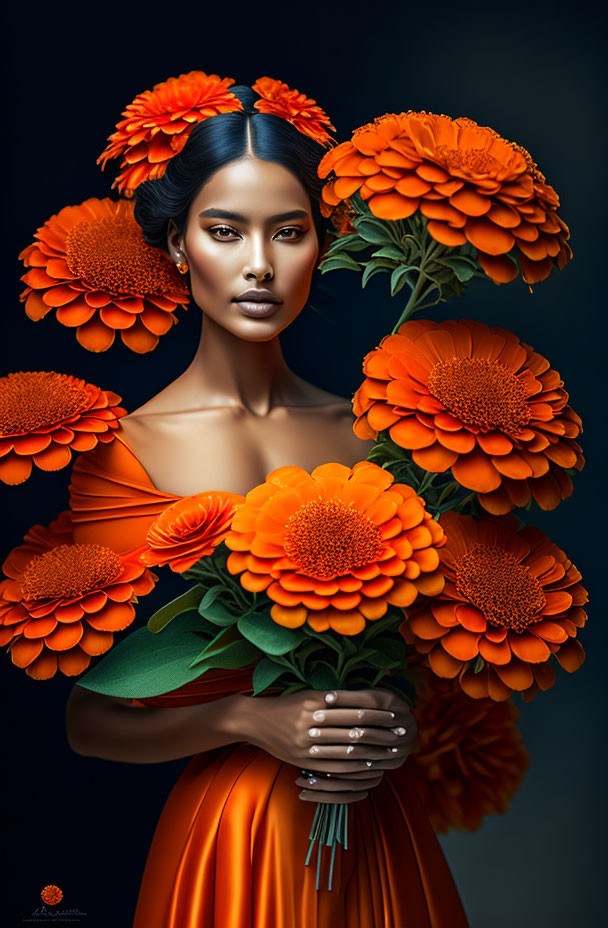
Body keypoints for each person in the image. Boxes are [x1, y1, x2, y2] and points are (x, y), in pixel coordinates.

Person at [64, 80, 470, 927]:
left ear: (322, 246)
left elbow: (422, 663)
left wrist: (390, 722)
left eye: (289, 233)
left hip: (372, 826)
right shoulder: (126, 452)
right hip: (231, 838)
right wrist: (248, 718)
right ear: (177, 244)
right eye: (225, 231)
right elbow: (89, 721)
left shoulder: (377, 437)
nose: (259, 263)